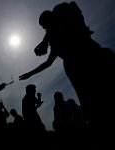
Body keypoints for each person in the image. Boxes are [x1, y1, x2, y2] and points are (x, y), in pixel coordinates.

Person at [19, 1, 115, 149]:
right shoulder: (56, 40)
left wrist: (44, 42)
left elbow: (63, 14)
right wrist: (30, 73)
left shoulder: (64, 17)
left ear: (50, 19)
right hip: (76, 67)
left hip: (90, 58)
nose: (44, 29)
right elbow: (48, 62)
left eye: (44, 25)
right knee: (91, 105)